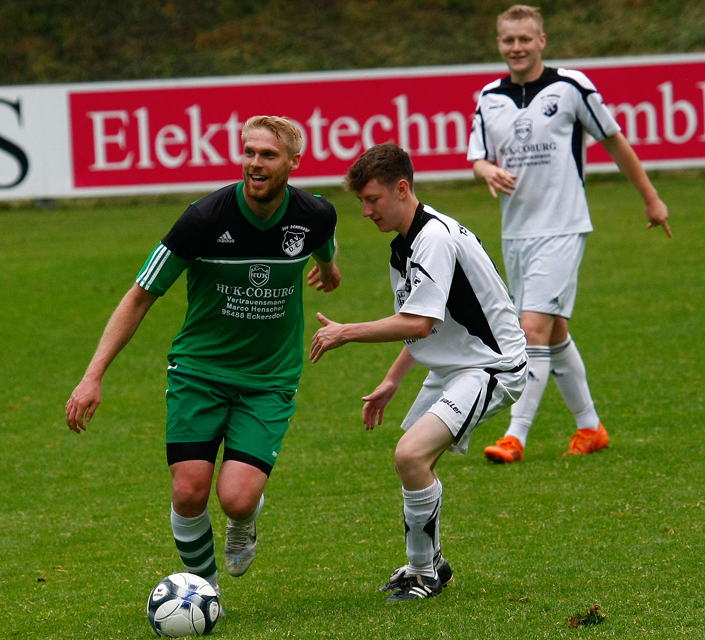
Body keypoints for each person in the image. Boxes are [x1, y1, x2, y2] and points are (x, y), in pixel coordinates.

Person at [65, 115, 341, 607]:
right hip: (199, 372)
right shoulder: (204, 219)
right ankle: (202, 592)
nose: (255, 163)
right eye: (249, 152)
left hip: (269, 379)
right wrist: (92, 376)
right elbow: (139, 296)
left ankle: (244, 522)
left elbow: (324, 248)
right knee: (190, 491)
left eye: (269, 155)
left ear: (294, 163)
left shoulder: (315, 214)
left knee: (236, 497)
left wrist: (329, 271)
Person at [310, 142, 526, 601]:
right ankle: (428, 564)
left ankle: (423, 573)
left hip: (491, 365)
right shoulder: (406, 246)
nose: (366, 211)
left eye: (372, 199)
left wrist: (345, 332)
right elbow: (425, 322)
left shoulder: (434, 239)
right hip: (456, 363)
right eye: (361, 202)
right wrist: (392, 379)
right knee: (415, 461)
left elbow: (419, 322)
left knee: (411, 455)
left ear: (402, 188)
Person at [467, 4, 671, 464]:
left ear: (542, 41)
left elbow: (614, 139)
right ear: (499, 44)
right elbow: (478, 155)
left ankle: (514, 436)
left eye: (525, 39)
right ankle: (590, 427)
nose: (516, 48)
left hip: (563, 226)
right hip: (516, 233)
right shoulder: (489, 97)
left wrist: (651, 198)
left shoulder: (571, 86)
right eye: (508, 40)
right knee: (553, 331)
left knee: (530, 330)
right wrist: (485, 169)